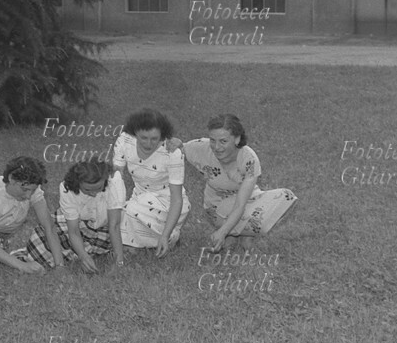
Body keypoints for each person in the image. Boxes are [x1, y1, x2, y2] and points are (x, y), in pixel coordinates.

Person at [171, 114, 297, 251]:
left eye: (223, 141)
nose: (216, 147)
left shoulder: (248, 159)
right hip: (216, 208)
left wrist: (222, 232)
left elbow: (240, 204)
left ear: (237, 139)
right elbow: (176, 148)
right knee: (236, 214)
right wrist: (174, 144)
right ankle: (236, 232)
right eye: (213, 140)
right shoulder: (201, 148)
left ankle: (239, 233)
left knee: (285, 196)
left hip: (246, 201)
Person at [26, 157, 126, 272]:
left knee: (112, 237)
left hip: (106, 228)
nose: (93, 194)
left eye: (99, 188)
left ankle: (82, 249)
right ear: (78, 183)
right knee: (40, 240)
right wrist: (84, 256)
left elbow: (114, 226)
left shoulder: (114, 181)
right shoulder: (67, 188)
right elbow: (73, 230)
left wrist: (119, 263)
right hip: (79, 226)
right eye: (87, 190)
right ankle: (84, 250)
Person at [113, 108, 190, 257]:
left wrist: (165, 235)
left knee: (131, 209)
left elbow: (177, 198)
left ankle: (167, 235)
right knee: (117, 212)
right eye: (143, 138)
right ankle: (145, 241)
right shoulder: (124, 140)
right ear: (135, 132)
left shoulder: (172, 152)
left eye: (154, 139)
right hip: (139, 196)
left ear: (163, 135)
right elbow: (116, 176)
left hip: (167, 202)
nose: (148, 144)